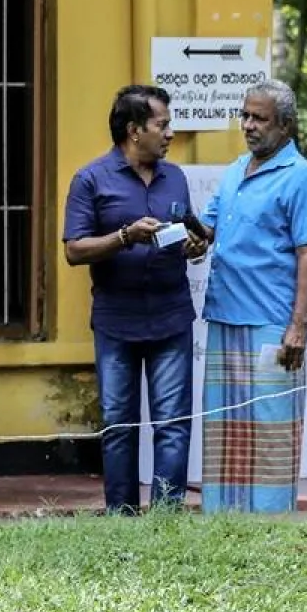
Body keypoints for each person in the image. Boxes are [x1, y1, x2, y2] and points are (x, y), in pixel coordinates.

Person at [63, 85, 208, 515]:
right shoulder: (91, 179)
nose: (170, 134)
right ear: (133, 130)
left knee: (173, 426)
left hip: (171, 316)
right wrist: (126, 236)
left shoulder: (176, 177)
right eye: (162, 125)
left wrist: (194, 247)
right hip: (116, 320)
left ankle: (165, 518)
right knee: (119, 426)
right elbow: (74, 249)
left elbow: (189, 233)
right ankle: (121, 518)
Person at [194, 79, 307, 514]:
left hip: (272, 322)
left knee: (271, 429)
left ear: (284, 126)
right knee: (226, 427)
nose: (248, 125)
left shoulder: (301, 178)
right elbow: (209, 229)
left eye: (259, 119)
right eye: (245, 115)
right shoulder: (235, 170)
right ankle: (223, 522)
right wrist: (194, 239)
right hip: (225, 316)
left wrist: (298, 327)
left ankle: (269, 528)